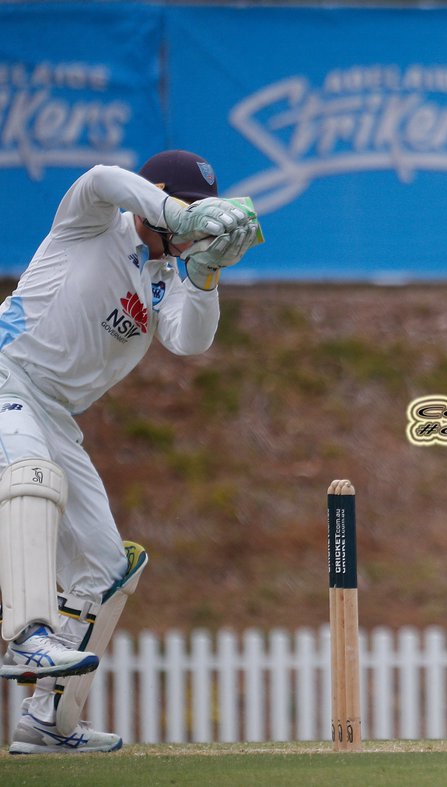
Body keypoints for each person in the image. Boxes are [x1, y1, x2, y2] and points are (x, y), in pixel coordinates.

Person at [0, 150, 261, 754]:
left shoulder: (164, 275)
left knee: (107, 566)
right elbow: (101, 178)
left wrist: (206, 270)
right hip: (8, 375)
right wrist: (178, 212)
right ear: (158, 196)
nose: (197, 225)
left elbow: (188, 342)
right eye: (189, 211)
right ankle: (28, 634)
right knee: (31, 475)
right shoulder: (93, 219)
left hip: (57, 416)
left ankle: (48, 723)